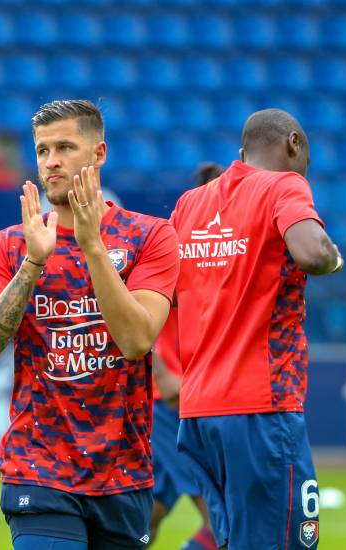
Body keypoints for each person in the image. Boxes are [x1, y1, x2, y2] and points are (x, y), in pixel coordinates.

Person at [0, 99, 179, 549]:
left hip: (123, 471)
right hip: (38, 467)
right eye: (43, 150)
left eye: (65, 147)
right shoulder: (10, 246)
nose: (52, 162)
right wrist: (33, 263)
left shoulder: (151, 237)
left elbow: (137, 341)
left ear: (99, 154)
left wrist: (91, 247)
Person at [169, 109, 343, 550]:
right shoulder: (284, 185)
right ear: (293, 144)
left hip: (198, 414)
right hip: (260, 408)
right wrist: (333, 257)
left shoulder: (191, 203)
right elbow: (312, 253)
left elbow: (165, 290)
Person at [147, 161, 224, 550]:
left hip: (208, 399)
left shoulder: (231, 253)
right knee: (220, 518)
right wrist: (160, 373)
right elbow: (134, 313)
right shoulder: (174, 248)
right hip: (171, 404)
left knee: (146, 518)